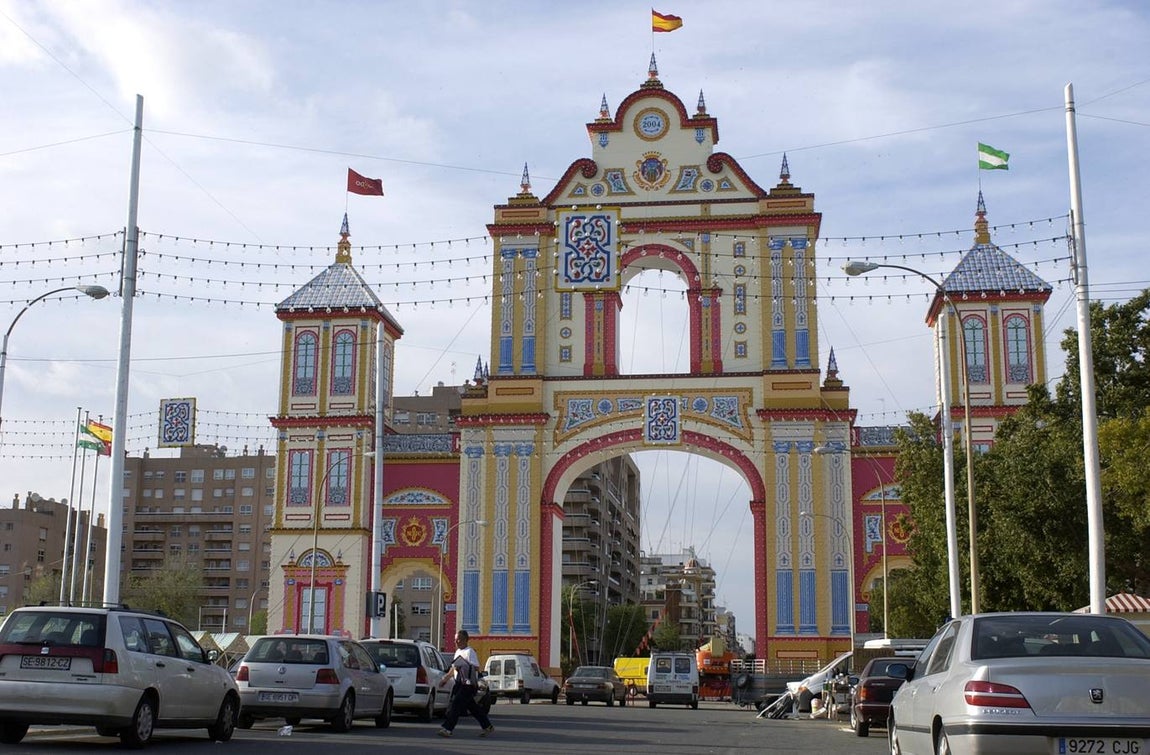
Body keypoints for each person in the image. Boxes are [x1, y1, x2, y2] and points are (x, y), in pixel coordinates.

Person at [436, 629, 494, 737]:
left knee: (456, 705)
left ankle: (448, 729)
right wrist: (445, 679)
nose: (456, 642)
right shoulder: (458, 652)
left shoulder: (470, 651)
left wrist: (463, 665)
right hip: (459, 683)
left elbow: (476, 667)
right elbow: (453, 669)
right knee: (473, 708)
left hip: (468, 683)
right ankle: (487, 726)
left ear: (465, 640)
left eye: (459, 639)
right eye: (455, 640)